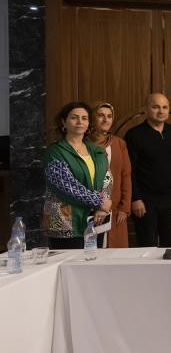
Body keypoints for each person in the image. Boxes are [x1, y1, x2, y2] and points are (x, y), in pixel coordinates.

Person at [43, 102, 112, 249]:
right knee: (68, 262)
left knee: (94, 261)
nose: (80, 121)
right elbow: (66, 186)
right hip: (64, 223)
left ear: (89, 124)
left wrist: (103, 207)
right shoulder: (55, 152)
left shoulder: (98, 151)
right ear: (64, 122)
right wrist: (100, 201)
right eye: (74, 117)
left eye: (84, 118)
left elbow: (107, 178)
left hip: (95, 218)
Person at [125, 93, 171, 247]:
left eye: (165, 107)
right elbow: (129, 171)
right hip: (145, 200)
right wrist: (135, 198)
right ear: (146, 109)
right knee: (147, 245)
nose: (161, 111)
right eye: (156, 107)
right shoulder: (134, 134)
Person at [89, 102, 132, 248]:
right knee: (92, 251)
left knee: (115, 252)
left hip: (116, 209)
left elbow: (126, 176)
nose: (105, 120)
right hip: (90, 209)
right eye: (100, 115)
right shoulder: (83, 144)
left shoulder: (119, 144)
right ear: (92, 118)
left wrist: (124, 208)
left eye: (109, 116)